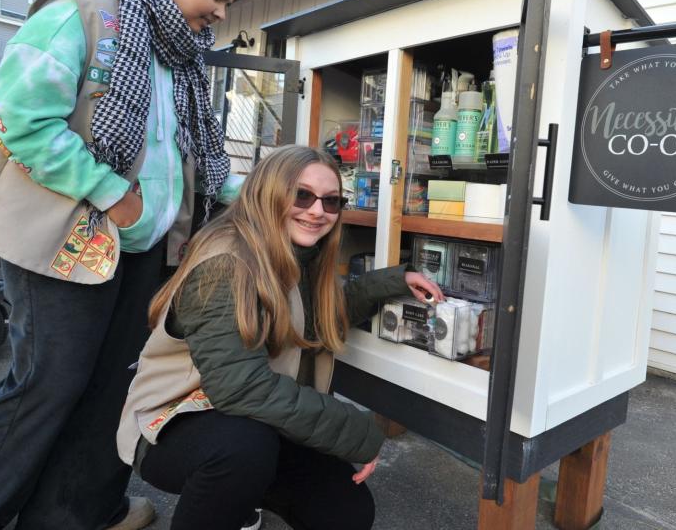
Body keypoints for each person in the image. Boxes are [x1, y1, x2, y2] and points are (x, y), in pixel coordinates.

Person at [0, 0, 246, 530]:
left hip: (145, 250)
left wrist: (256, 194)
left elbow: (183, 158)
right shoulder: (82, 12)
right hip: (63, 243)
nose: (221, 15)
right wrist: (108, 191)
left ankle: (76, 517)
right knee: (42, 390)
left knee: (110, 393)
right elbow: (15, 116)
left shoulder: (174, 56)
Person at [116, 145, 444, 530]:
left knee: (345, 511)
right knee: (242, 450)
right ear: (268, 191)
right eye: (301, 195)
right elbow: (240, 387)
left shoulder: (297, 256)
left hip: (252, 422)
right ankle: (233, 498)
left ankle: (242, 497)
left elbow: (323, 316)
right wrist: (355, 430)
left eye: (331, 201)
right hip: (173, 423)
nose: (317, 210)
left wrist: (394, 281)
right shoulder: (226, 262)